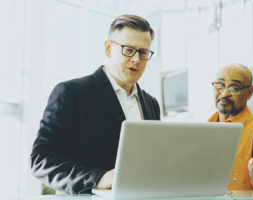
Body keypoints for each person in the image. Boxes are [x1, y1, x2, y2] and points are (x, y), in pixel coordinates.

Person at [30, 15, 160, 194]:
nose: (136, 59)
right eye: (128, 50)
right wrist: (99, 178)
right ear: (108, 48)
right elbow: (41, 160)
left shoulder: (152, 103)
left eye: (143, 53)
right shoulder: (71, 93)